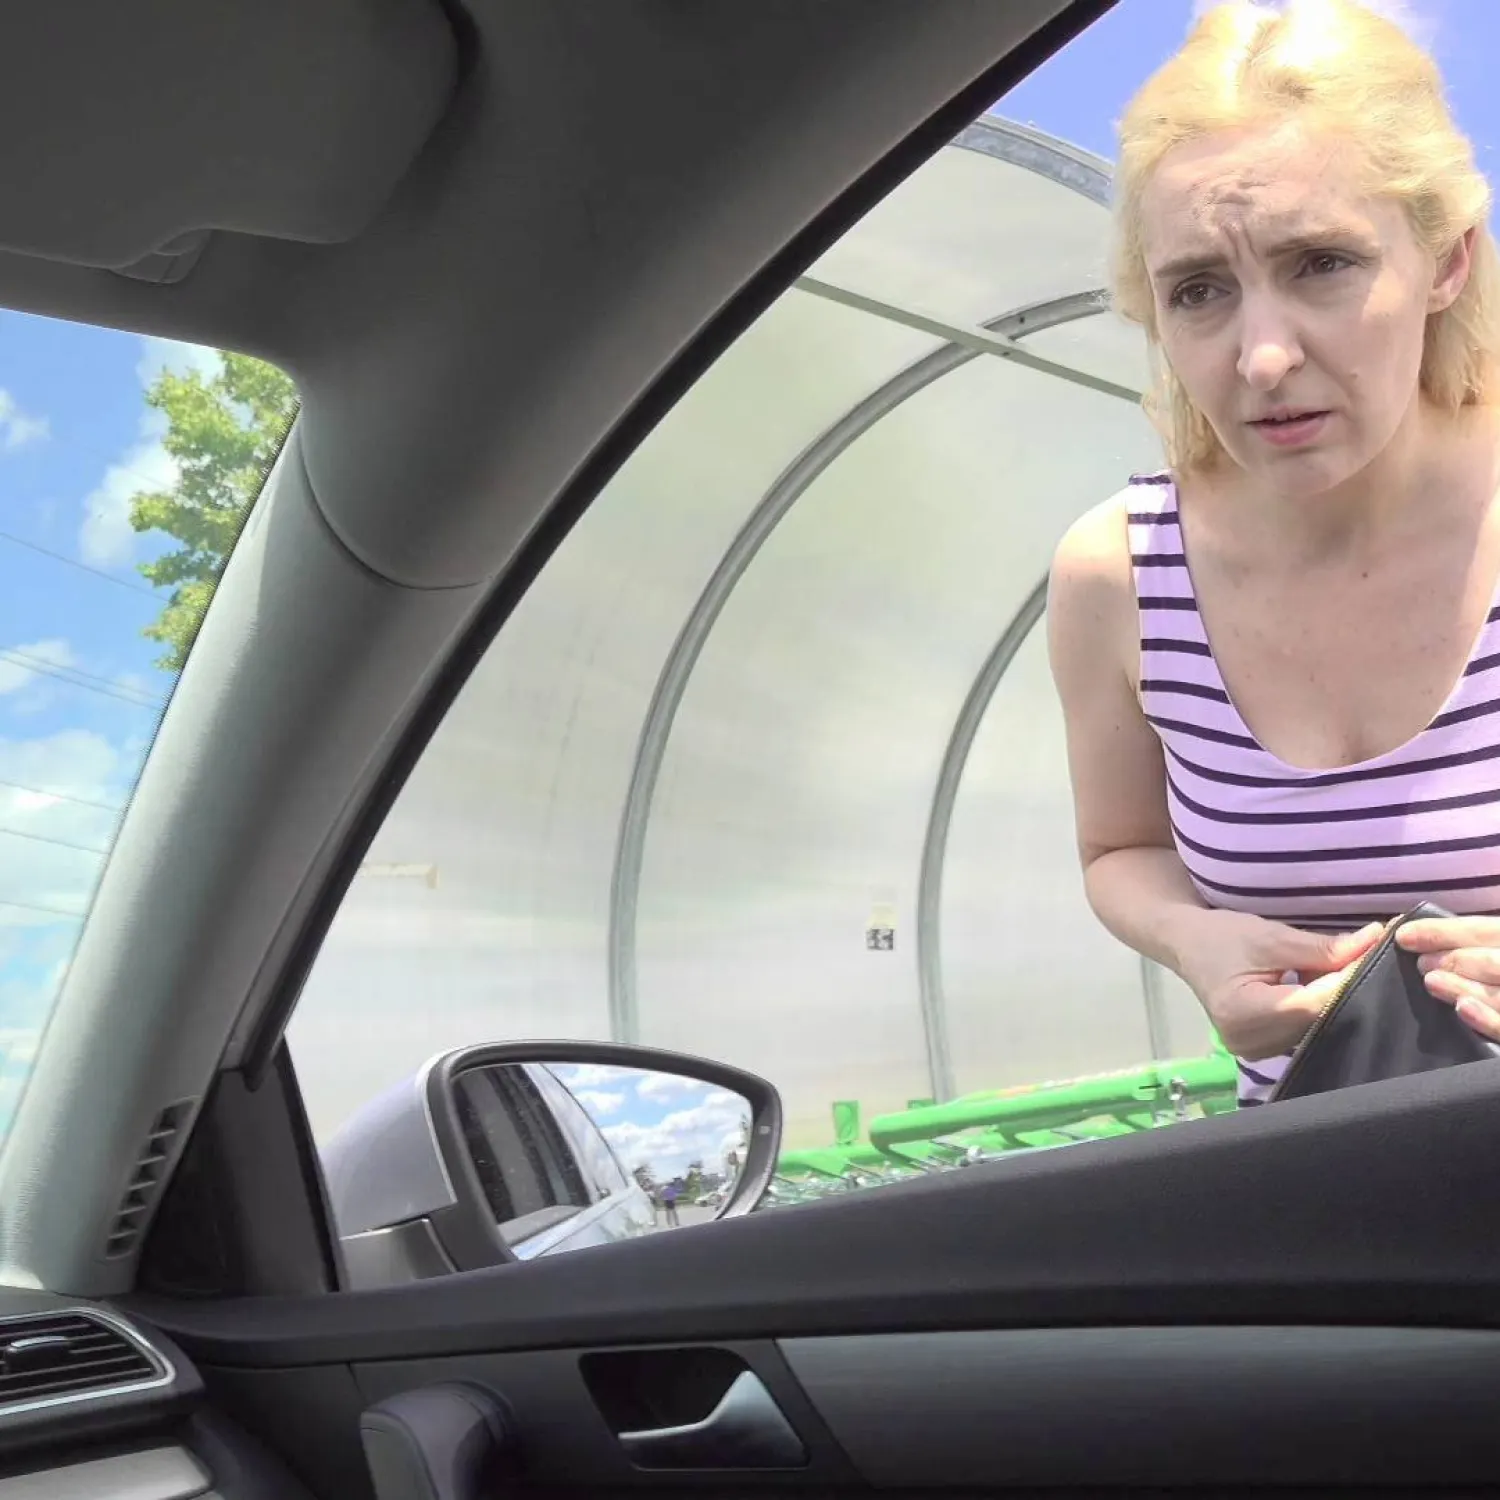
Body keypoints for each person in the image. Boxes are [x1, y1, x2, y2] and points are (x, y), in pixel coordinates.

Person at [1048, 0, 1500, 1106]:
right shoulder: (1120, 577)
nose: (1261, 358)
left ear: (1446, 262)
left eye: (1322, 263)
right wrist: (1194, 941)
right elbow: (1120, 850)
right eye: (1199, 289)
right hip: (1320, 1194)